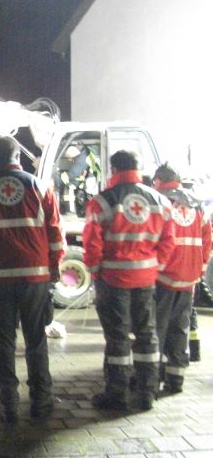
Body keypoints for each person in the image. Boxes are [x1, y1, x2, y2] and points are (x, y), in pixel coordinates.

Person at [0, 136, 64, 423]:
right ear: (18, 156)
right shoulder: (41, 187)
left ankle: (8, 406)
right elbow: (56, 235)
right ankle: (41, 403)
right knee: (35, 342)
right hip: (35, 278)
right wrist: (52, 269)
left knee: (2, 345)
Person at [83, 150, 175, 411]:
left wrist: (95, 271)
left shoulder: (101, 202)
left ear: (113, 169)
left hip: (113, 281)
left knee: (118, 339)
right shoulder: (160, 201)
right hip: (146, 280)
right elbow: (169, 241)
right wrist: (156, 268)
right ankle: (147, 394)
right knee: (147, 336)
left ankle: (117, 395)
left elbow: (92, 244)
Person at [151, 163, 211, 393]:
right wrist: (199, 269)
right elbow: (207, 240)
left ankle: (152, 378)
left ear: (158, 181)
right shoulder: (197, 204)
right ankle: (176, 380)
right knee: (180, 328)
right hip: (189, 277)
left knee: (157, 328)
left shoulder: (158, 201)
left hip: (164, 275)